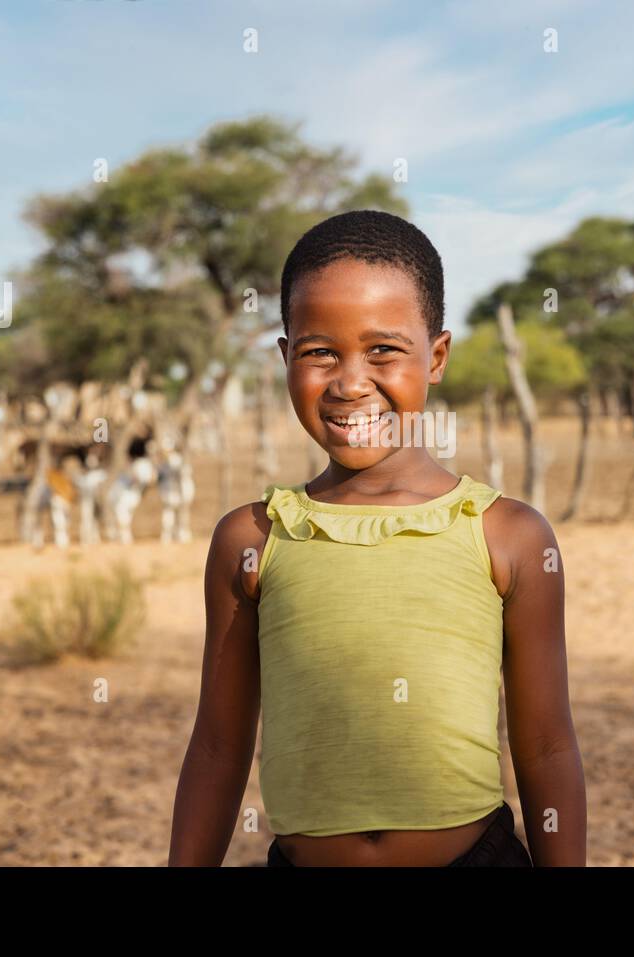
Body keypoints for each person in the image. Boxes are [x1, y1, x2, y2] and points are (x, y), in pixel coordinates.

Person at [168, 209, 585, 866]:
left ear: (437, 356)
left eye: (383, 350)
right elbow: (219, 747)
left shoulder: (507, 535)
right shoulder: (251, 540)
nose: (350, 382)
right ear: (285, 358)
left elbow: (548, 746)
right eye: (319, 351)